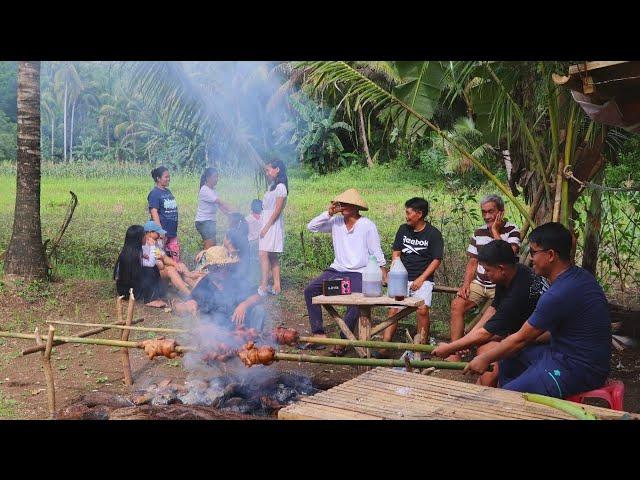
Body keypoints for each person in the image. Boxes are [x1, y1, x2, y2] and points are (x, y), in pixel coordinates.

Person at [463, 223, 611, 398]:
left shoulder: (559, 293)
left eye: (533, 253)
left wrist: (485, 358)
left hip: (580, 368)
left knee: (507, 397)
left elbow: (521, 339)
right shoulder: (579, 277)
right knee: (509, 359)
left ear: (550, 255)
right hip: (561, 353)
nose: (531, 259)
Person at [431, 240, 548, 386]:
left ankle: (484, 398)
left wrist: (450, 348)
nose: (485, 275)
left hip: (539, 339)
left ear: (501, 269)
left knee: (490, 365)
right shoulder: (513, 273)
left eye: (487, 270)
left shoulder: (520, 292)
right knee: (484, 351)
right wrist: (468, 338)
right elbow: (493, 309)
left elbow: (486, 333)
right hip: (519, 330)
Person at [303, 188, 386, 356]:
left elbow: (376, 251)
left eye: (347, 204)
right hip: (337, 269)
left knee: (356, 300)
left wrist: (383, 272)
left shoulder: (367, 225)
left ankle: (343, 339)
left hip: (359, 272)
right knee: (310, 290)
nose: (343, 207)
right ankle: (319, 333)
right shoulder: (336, 222)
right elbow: (311, 227)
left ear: (356, 207)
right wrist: (328, 213)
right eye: (341, 204)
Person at [447, 194, 521, 361]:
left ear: (501, 212)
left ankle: (486, 350)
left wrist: (495, 231)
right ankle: (454, 351)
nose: (487, 216)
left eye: (491, 211)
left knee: (498, 316)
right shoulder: (479, 232)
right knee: (457, 304)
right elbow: (473, 261)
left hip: (501, 286)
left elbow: (507, 255)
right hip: (480, 283)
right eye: (484, 212)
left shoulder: (512, 230)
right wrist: (466, 284)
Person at [374, 197, 443, 358]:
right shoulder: (403, 229)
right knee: (393, 309)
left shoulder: (433, 234)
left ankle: (422, 347)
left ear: (419, 214)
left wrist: (421, 279)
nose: (406, 216)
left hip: (424, 279)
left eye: (408, 212)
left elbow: (436, 260)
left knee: (422, 309)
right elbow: (396, 253)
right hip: (402, 278)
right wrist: (394, 273)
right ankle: (385, 346)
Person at [174, 245, 267, 332]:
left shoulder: (236, 278)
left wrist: (244, 305)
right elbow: (187, 304)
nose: (220, 271)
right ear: (209, 268)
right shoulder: (205, 283)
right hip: (218, 331)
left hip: (241, 326)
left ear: (228, 265)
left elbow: (258, 296)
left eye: (222, 266)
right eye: (215, 267)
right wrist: (189, 304)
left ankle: (255, 343)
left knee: (259, 310)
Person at [114, 225, 167, 308]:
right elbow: (151, 264)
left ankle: (158, 294)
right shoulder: (134, 255)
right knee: (151, 269)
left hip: (125, 288)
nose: (146, 237)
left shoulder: (130, 251)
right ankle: (150, 299)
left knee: (151, 268)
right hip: (128, 292)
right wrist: (153, 246)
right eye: (144, 235)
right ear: (138, 239)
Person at [142, 220, 198, 297]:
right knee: (171, 270)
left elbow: (164, 257)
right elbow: (149, 264)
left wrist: (175, 264)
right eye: (157, 233)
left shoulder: (154, 243)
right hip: (148, 278)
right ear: (150, 232)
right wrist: (163, 264)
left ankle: (199, 290)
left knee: (180, 266)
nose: (159, 235)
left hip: (158, 272)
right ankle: (190, 296)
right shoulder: (143, 245)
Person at [258, 160, 288, 295]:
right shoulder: (272, 186)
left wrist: (266, 227)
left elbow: (277, 210)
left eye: (269, 170)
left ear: (277, 170)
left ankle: (264, 285)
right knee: (271, 254)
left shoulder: (281, 187)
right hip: (266, 220)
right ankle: (276, 285)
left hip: (272, 223)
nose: (267, 173)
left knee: (263, 253)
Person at [195, 167, 234, 249]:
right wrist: (234, 210)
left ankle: (209, 260)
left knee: (213, 246)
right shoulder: (205, 190)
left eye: (217, 177)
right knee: (209, 248)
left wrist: (230, 215)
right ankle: (203, 260)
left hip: (210, 221)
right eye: (215, 177)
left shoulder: (213, 190)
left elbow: (220, 206)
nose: (217, 179)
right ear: (208, 178)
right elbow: (220, 202)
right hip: (204, 222)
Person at [148, 166, 181, 262]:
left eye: (169, 177)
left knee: (175, 257)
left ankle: (176, 275)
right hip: (161, 233)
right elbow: (154, 212)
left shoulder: (168, 191)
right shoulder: (154, 193)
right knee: (161, 257)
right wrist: (160, 230)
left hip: (171, 231)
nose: (168, 179)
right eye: (166, 177)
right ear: (158, 179)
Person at [246, 199, 263, 265]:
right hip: (262, 243)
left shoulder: (247, 219)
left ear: (251, 208)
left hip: (251, 243)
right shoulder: (264, 218)